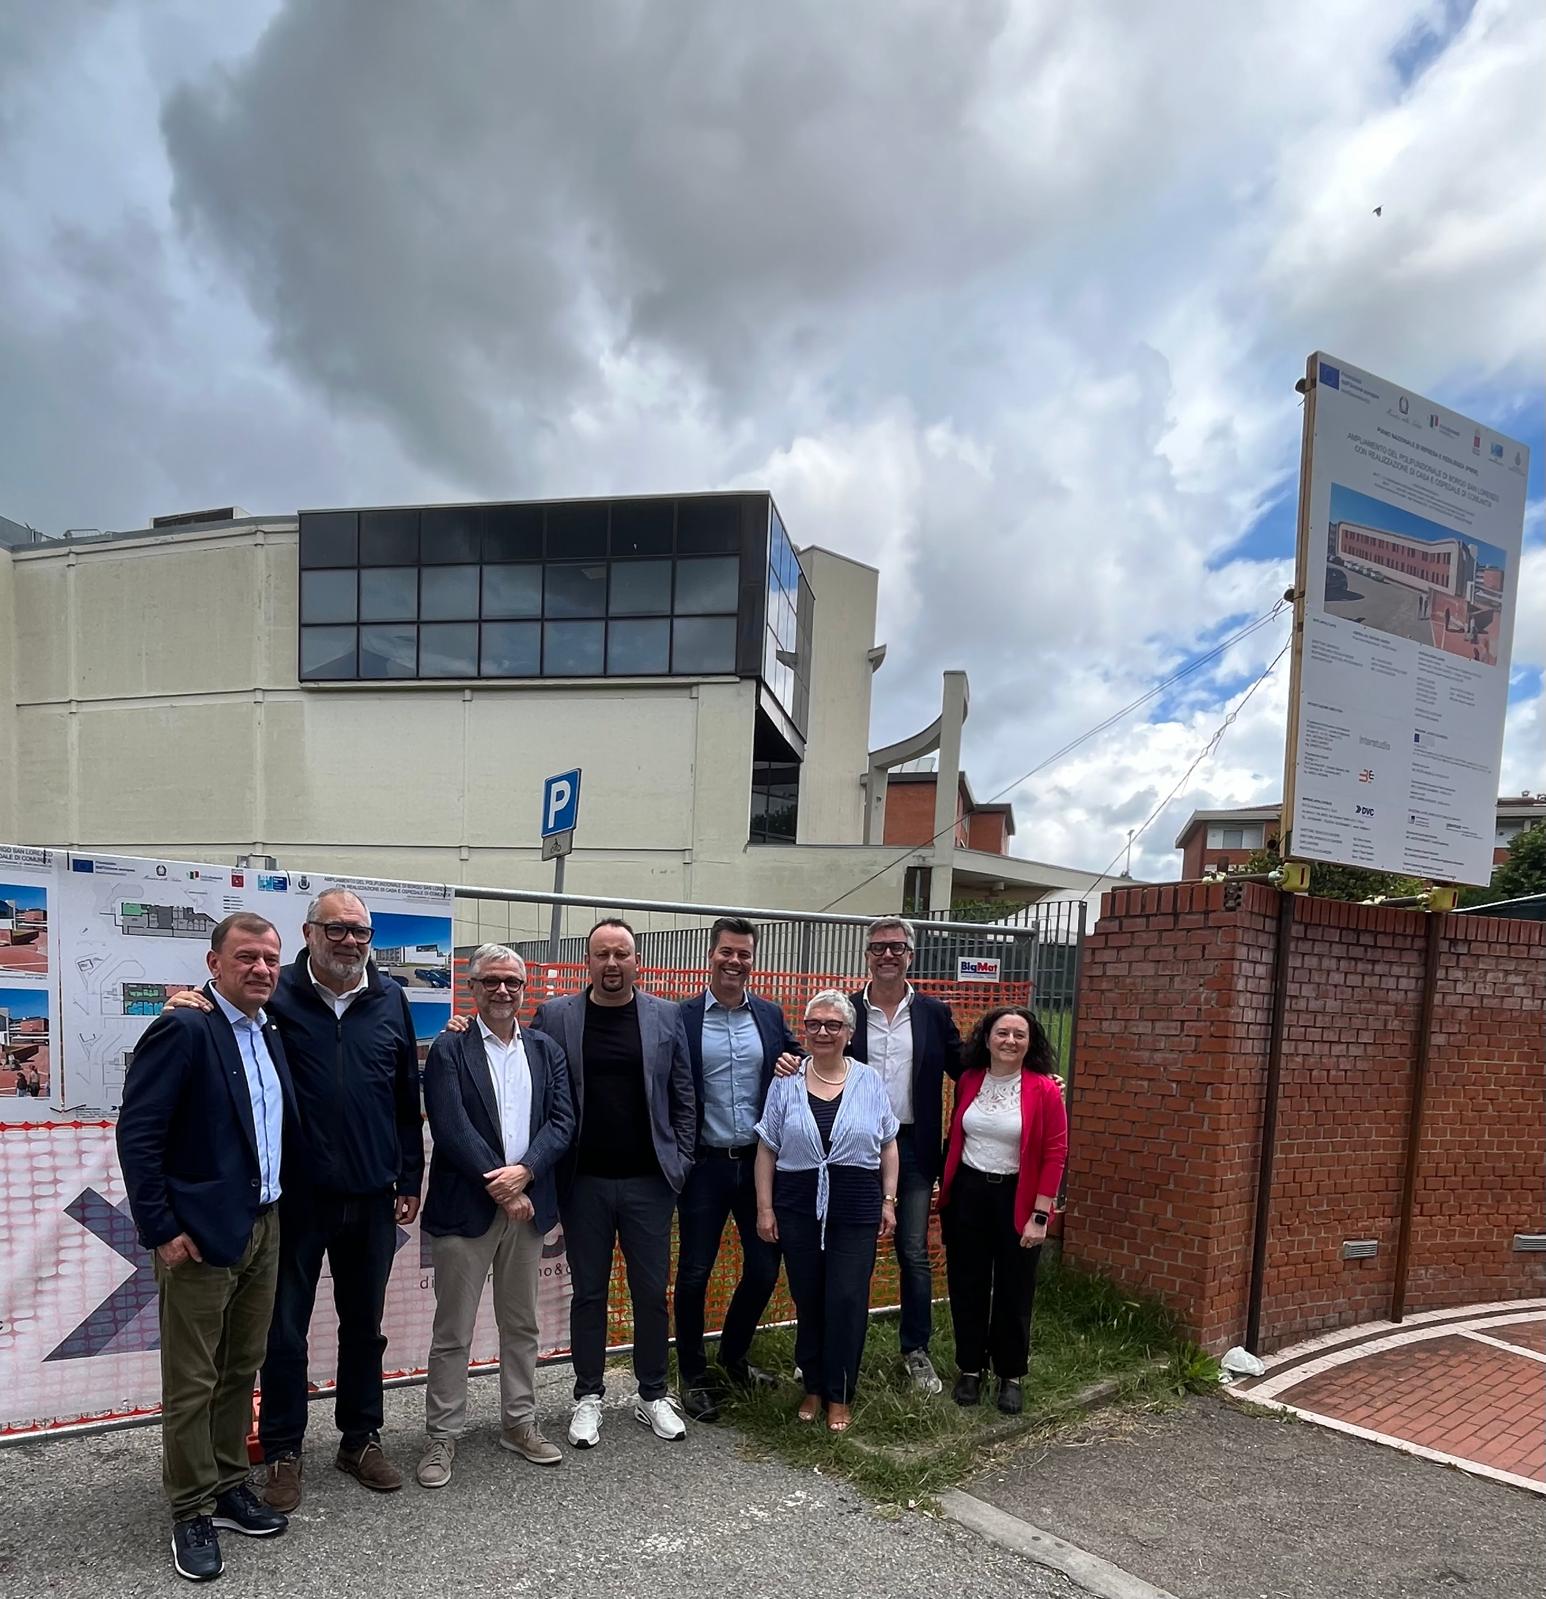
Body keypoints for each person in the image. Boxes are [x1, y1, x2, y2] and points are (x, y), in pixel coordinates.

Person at [166, 889, 425, 1506]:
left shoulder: (391, 997)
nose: (350, 942)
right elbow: (223, 1009)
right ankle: (283, 1449)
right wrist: (190, 999)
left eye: (360, 932)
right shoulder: (275, 991)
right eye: (336, 929)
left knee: (365, 1329)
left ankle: (360, 1439)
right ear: (309, 934)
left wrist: (410, 1177)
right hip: (296, 1200)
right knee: (283, 1333)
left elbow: (403, 1096)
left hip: (372, 1195)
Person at [117, 913, 297, 1582]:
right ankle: (190, 1507)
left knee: (240, 1366)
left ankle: (226, 1485)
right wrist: (161, 1228)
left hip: (264, 1224)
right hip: (198, 1236)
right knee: (193, 1379)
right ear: (214, 963)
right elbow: (139, 1134)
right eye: (246, 956)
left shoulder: (268, 1030)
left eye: (270, 958)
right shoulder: (185, 1027)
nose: (261, 968)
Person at [416, 945, 575, 1488]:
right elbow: (450, 1126)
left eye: (512, 981)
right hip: (467, 1210)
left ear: (524, 989)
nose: (502, 990)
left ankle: (519, 1423)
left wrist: (526, 1172)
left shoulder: (546, 1049)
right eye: (491, 981)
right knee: (453, 1330)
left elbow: (562, 1121)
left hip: (528, 1207)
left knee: (522, 1324)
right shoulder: (450, 1047)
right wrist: (505, 1189)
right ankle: (442, 1436)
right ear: (473, 987)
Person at [535, 919, 696, 1448]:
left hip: (650, 1183)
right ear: (588, 960)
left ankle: (652, 1394)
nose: (611, 963)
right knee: (589, 1293)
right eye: (602, 954)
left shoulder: (665, 1015)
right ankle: (588, 1396)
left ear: (636, 961)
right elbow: (528, 1070)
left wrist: (681, 1162)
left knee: (651, 1293)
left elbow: (683, 1095)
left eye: (621, 954)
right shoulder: (556, 1016)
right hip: (584, 1184)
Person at [673, 917, 800, 1422]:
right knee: (695, 1272)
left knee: (766, 1267)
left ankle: (733, 1357)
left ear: (753, 960)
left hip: (758, 1165)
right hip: (702, 1167)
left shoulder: (769, 1014)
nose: (735, 961)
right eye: (727, 952)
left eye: (744, 954)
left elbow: (797, 1055)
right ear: (711, 955)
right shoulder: (681, 1017)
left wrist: (793, 1061)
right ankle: (692, 1373)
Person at [754, 991, 898, 1433]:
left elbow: (888, 1142)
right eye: (814, 1024)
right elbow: (767, 1148)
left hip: (855, 1206)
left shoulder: (869, 1081)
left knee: (847, 1300)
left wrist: (889, 1200)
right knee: (808, 1297)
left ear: (849, 1033)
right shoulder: (786, 1080)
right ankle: (813, 1386)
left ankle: (840, 1393)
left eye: (833, 1025)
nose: (823, 1032)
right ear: (804, 1031)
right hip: (798, 1207)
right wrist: (765, 1208)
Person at [847, 916, 961, 1394]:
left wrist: (1031, 1079)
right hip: (852, 1145)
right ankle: (834, 1346)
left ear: (911, 955)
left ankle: (916, 1350)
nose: (887, 955)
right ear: (867, 956)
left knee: (912, 1252)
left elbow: (966, 1067)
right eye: (878, 947)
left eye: (896, 947)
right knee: (848, 1252)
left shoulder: (933, 1013)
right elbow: (819, 1056)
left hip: (913, 1147)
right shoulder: (848, 1011)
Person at [939, 1006, 1068, 1416]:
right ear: (987, 1038)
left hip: (1018, 1196)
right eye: (1002, 1033)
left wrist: (1041, 1215)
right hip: (969, 1193)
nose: (1010, 1041)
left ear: (1030, 1043)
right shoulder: (970, 1080)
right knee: (967, 1285)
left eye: (1019, 1035)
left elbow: (1055, 1153)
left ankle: (1010, 1374)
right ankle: (970, 1368)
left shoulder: (1044, 1089)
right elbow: (957, 1134)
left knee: (1015, 1289)